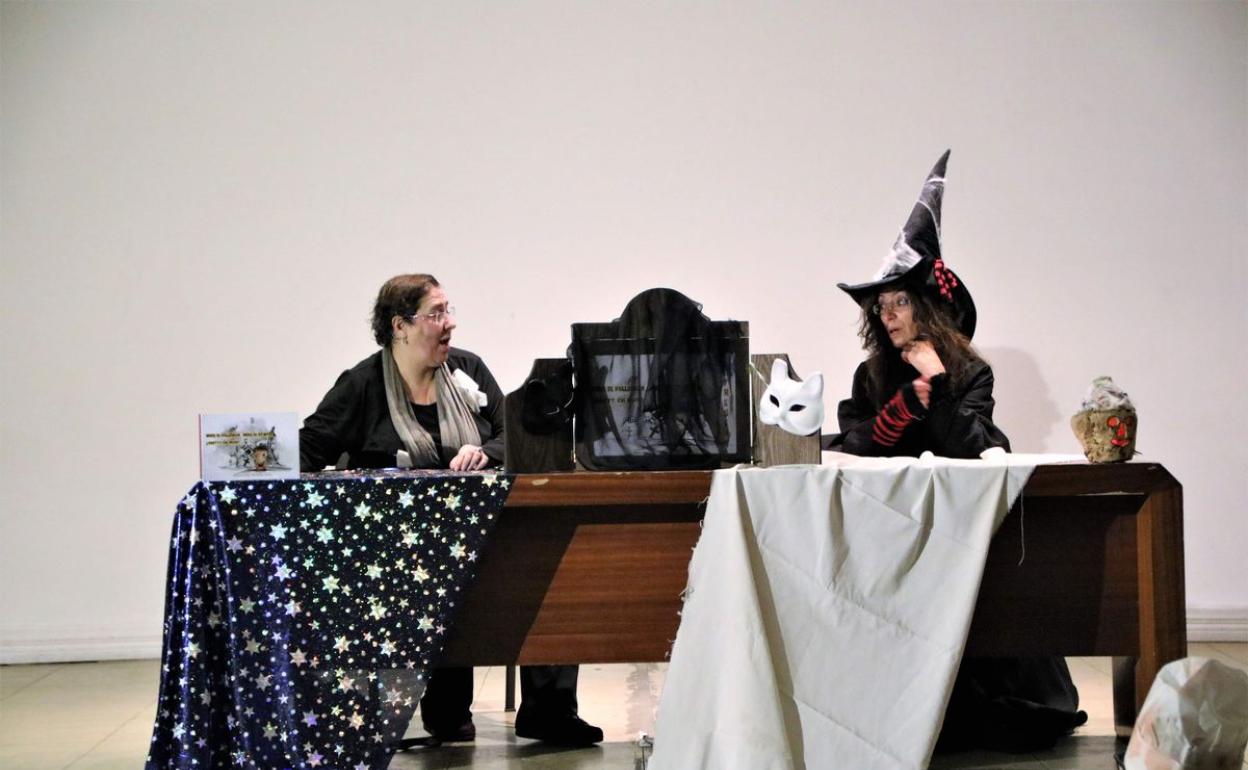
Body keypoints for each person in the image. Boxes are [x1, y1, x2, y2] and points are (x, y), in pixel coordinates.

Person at [829, 151, 1087, 753]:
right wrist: (899, 412)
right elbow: (851, 445)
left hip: (958, 528)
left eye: (899, 302)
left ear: (928, 306)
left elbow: (980, 448)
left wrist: (939, 387)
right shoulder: (871, 377)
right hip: (888, 529)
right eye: (881, 306)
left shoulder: (971, 373)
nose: (887, 315)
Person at [299, 273, 603, 747]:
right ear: (400, 326)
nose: (450, 323)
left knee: (545, 567)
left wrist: (486, 452)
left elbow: (512, 432)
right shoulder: (362, 385)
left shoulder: (468, 369)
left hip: (485, 531)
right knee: (437, 575)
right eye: (436, 313)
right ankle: (447, 712)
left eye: (449, 311)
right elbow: (305, 450)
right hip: (403, 550)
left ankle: (549, 711)